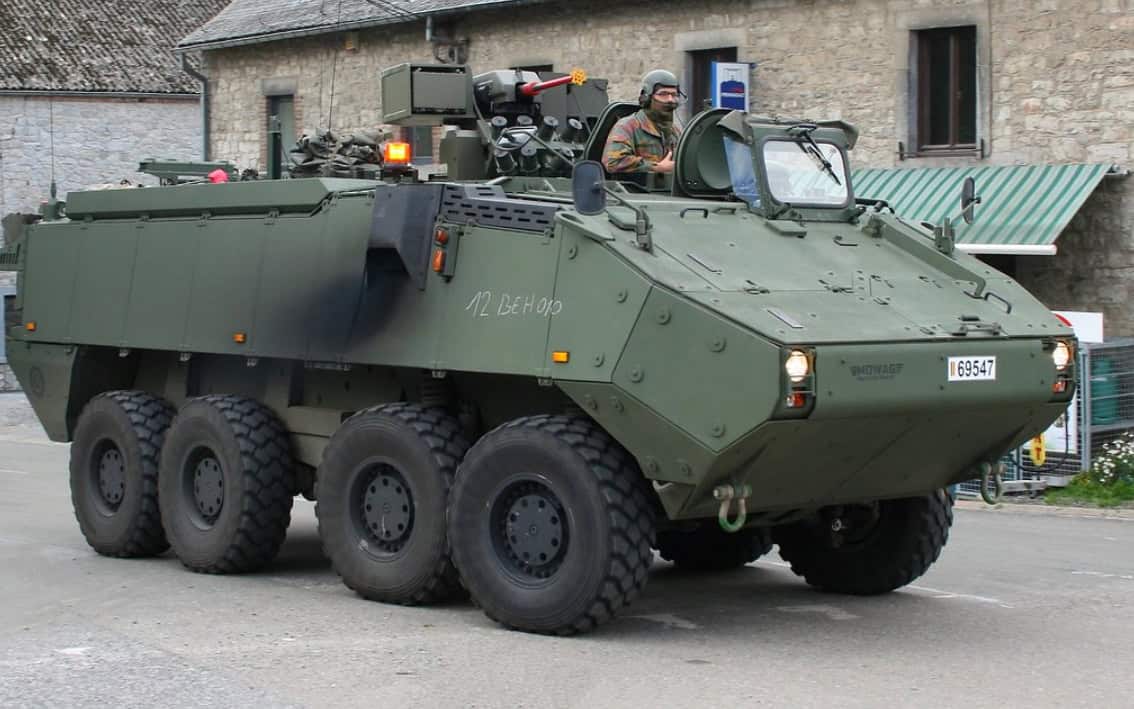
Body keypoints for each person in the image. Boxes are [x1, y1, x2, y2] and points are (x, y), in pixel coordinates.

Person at [602, 69, 684, 174]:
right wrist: (655, 167)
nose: (670, 100)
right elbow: (613, 162)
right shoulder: (627, 126)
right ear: (647, 98)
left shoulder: (675, 132)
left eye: (674, 95)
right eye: (663, 94)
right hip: (633, 189)